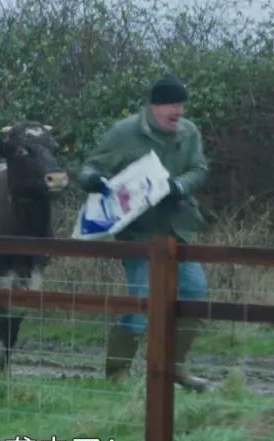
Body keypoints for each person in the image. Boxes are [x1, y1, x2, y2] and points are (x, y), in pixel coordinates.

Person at [77, 74, 213, 392]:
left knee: (195, 293)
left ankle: (175, 368)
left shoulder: (190, 132)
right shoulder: (124, 132)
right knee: (141, 302)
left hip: (178, 230)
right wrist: (94, 181)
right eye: (171, 105)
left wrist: (180, 186)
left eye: (181, 105)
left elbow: (199, 168)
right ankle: (117, 373)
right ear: (153, 106)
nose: (178, 112)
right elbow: (89, 168)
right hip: (139, 233)